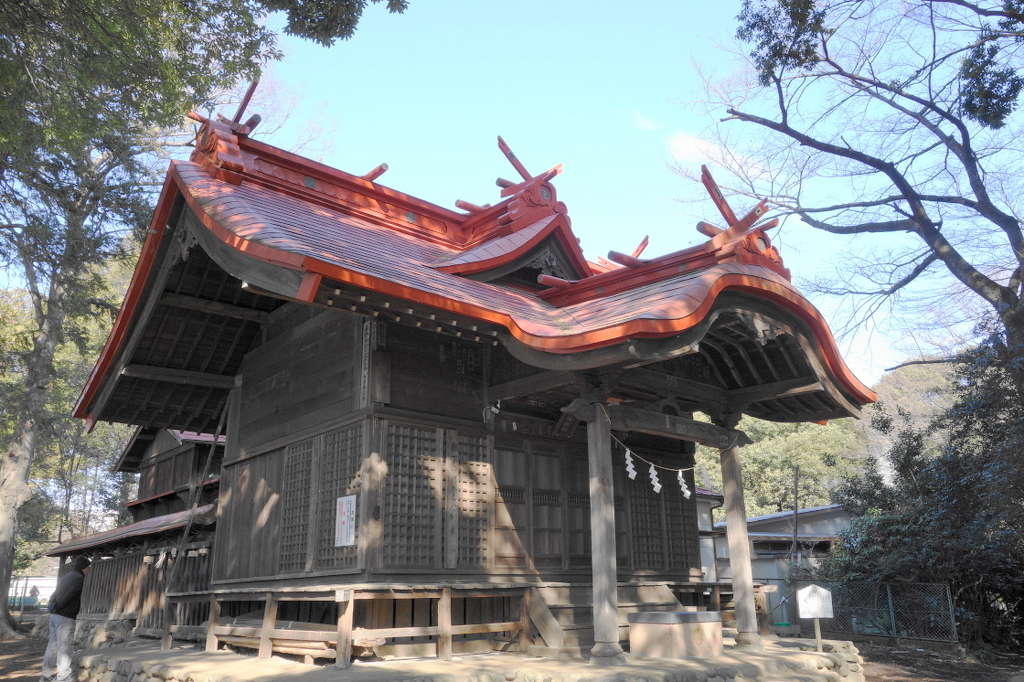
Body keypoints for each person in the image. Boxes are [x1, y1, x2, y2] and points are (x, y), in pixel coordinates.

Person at [40, 556, 90, 682]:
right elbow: (68, 595)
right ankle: (64, 677)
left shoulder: (67, 576)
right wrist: (60, 607)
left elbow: (55, 594)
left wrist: (53, 608)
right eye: (88, 567)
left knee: (53, 644)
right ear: (83, 567)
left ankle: (46, 674)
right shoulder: (78, 578)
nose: (89, 570)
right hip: (65, 616)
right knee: (65, 647)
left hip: (54, 616)